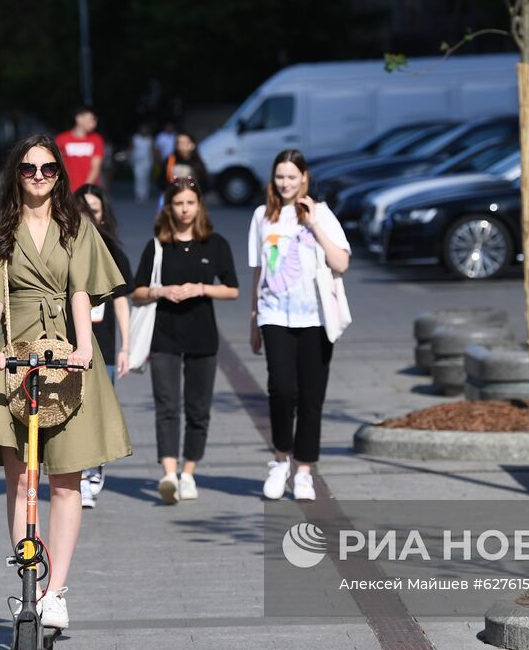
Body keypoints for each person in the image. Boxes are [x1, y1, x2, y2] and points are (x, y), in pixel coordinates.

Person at [0, 135, 132, 633]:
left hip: (67, 357)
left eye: (47, 169)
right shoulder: (0, 231)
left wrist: (86, 346)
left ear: (60, 175)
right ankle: (27, 583)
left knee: (67, 482)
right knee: (19, 478)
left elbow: (81, 292)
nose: (38, 176)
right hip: (15, 353)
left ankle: (56, 590)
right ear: (15, 174)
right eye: (28, 169)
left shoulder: (75, 226)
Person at [248, 150, 350, 501]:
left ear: (304, 177)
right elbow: (258, 271)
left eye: (292, 177)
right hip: (274, 314)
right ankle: (280, 460)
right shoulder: (262, 216)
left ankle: (304, 470)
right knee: (282, 390)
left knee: (311, 397)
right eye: (280, 177)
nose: (286, 183)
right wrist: (252, 318)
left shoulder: (321, 214)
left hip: (316, 318)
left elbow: (341, 261)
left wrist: (314, 225)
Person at [133, 179, 239, 504]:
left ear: (199, 206)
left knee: (198, 409)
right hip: (164, 335)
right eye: (178, 203)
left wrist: (202, 289)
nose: (184, 209)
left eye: (190, 203)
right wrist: (160, 291)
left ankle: (188, 473)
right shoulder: (158, 246)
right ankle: (168, 473)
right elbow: (136, 292)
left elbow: (232, 289)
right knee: (166, 406)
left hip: (202, 336)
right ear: (169, 207)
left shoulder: (215, 244)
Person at [73, 183, 133, 509]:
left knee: (97, 409)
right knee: (74, 408)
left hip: (105, 345)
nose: (88, 216)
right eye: (82, 210)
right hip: (69, 346)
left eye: (93, 210)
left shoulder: (113, 253)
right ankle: (79, 474)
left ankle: (93, 469)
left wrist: (127, 346)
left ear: (103, 214)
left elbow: (122, 302)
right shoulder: (64, 248)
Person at [55, 106, 105, 192]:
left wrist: (85, 188)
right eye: (91, 119)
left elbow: (96, 167)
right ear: (79, 118)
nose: (94, 123)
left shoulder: (97, 139)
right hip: (67, 189)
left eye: (95, 120)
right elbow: (57, 164)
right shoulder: (61, 139)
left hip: (89, 189)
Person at [157, 131, 211, 198]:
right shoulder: (170, 160)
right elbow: (160, 181)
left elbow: (205, 184)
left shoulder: (197, 163)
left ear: (192, 145)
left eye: (184, 143)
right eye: (178, 142)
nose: (181, 145)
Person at [130, 124, 155, 204]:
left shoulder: (149, 139)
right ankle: (139, 194)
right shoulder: (135, 138)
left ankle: (145, 194)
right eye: (142, 129)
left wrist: (153, 160)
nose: (144, 131)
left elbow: (152, 150)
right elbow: (132, 148)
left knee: (146, 178)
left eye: (145, 129)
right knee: (138, 177)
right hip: (137, 161)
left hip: (147, 161)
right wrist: (130, 158)